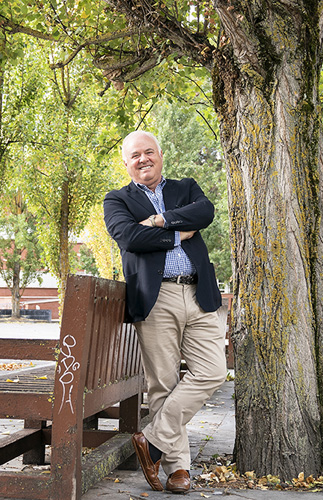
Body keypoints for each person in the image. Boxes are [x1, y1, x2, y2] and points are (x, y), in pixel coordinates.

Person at [103, 130, 226, 494]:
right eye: (135, 156)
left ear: (160, 155)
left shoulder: (185, 187)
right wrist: (178, 232)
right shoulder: (117, 200)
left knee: (212, 372)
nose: (143, 159)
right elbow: (128, 238)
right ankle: (177, 469)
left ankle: (153, 440)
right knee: (163, 384)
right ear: (127, 164)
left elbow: (205, 213)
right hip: (158, 298)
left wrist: (157, 221)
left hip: (199, 291)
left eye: (149, 152)